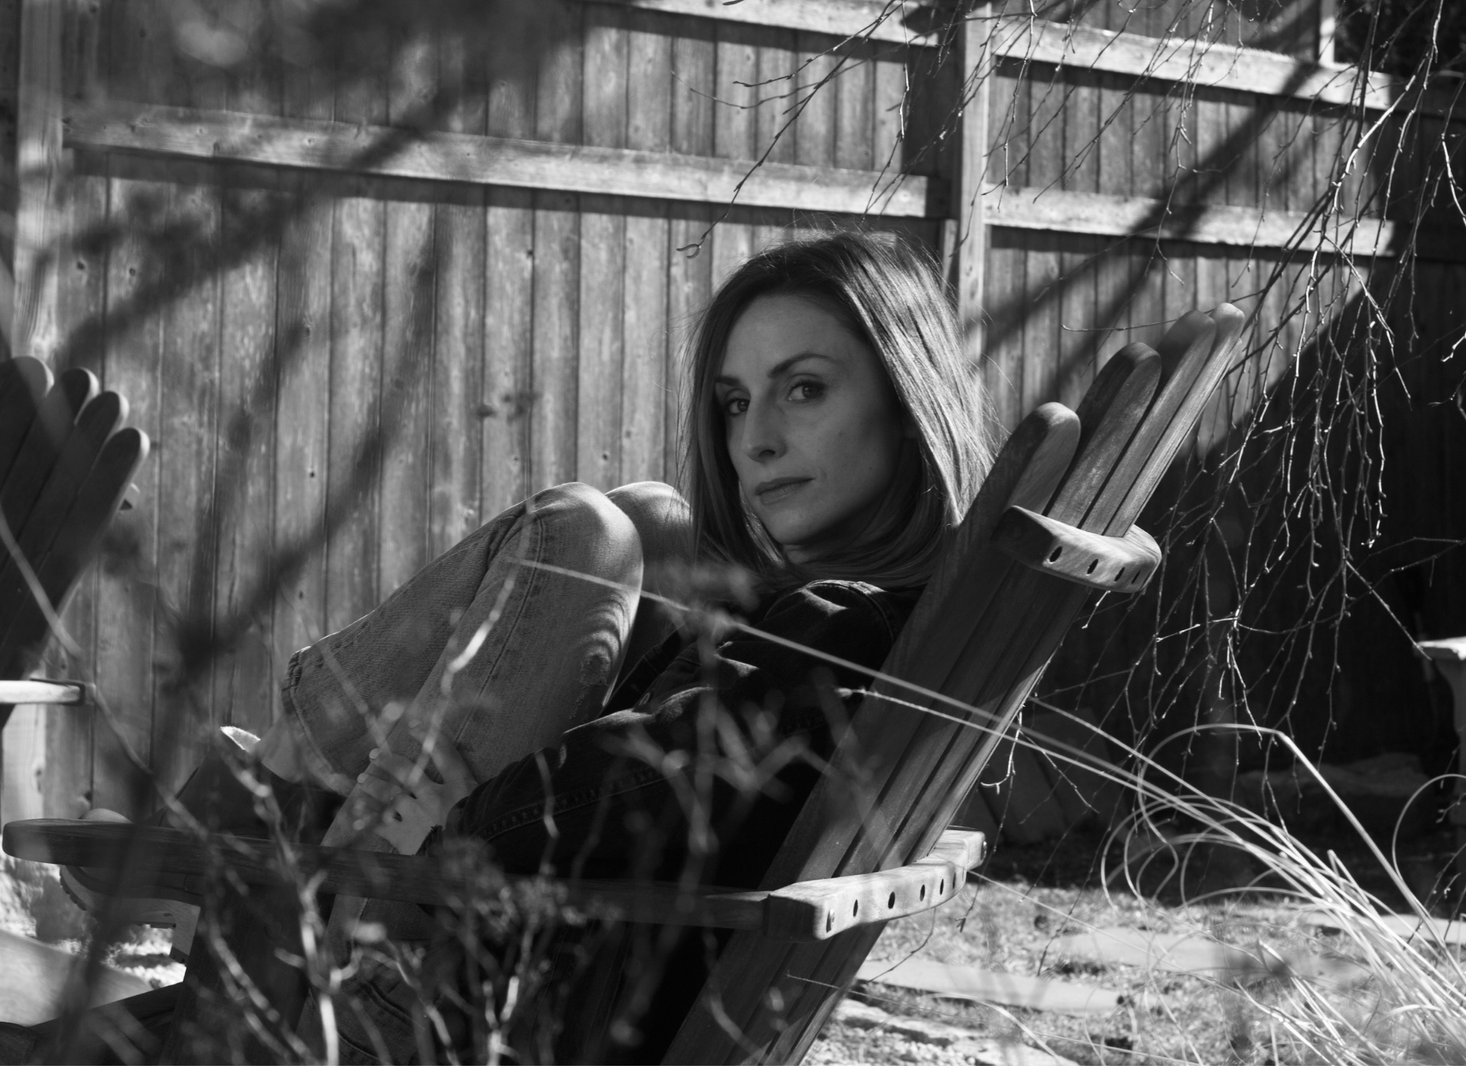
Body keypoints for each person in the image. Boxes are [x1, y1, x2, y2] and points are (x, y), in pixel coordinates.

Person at [35, 230, 993, 1063]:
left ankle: (260, 788)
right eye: (736, 402)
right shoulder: (888, 630)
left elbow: (569, 815)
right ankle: (264, 791)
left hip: (421, 1004)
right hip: (485, 958)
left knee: (578, 530)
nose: (755, 441)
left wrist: (451, 819)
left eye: (805, 390)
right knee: (654, 519)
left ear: (907, 400)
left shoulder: (839, 637)